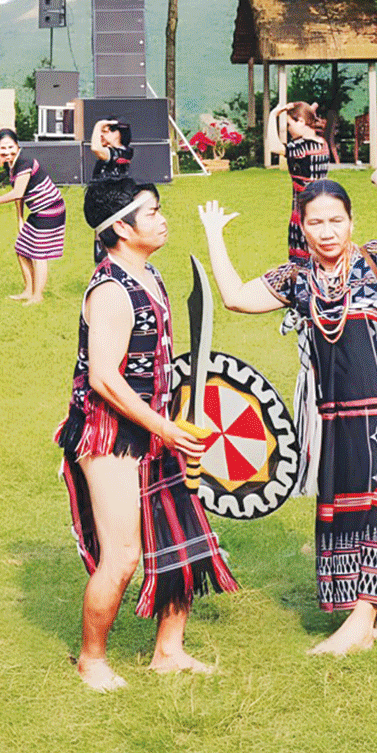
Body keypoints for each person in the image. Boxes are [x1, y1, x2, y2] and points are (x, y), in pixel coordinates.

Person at [202, 153, 377, 656]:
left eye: (336, 220)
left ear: (351, 222)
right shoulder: (298, 277)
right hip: (340, 412)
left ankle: (360, 623)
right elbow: (236, 298)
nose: (327, 231)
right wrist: (215, 236)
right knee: (351, 504)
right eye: (316, 222)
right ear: (302, 227)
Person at [59, 177, 234, 689]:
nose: (161, 218)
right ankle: (91, 660)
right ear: (120, 228)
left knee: (179, 540)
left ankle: (169, 651)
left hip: (159, 424)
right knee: (124, 555)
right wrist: (164, 428)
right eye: (150, 212)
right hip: (109, 433)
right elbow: (104, 378)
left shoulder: (150, 273)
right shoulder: (112, 289)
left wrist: (171, 422)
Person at [0, 128, 64, 304]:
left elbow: (18, 192)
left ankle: (37, 296)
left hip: (50, 209)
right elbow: (18, 194)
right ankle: (28, 290)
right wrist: (20, 219)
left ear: (18, 146)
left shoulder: (24, 162)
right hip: (37, 211)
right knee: (21, 249)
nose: (7, 152)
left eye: (11, 147)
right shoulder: (10, 166)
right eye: (2, 148)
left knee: (38, 254)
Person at [268, 102, 335, 260]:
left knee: (301, 265)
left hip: (303, 214)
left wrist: (273, 115)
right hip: (323, 210)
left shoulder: (301, 147)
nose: (288, 129)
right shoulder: (322, 144)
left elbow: (274, 147)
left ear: (301, 122)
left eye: (289, 124)